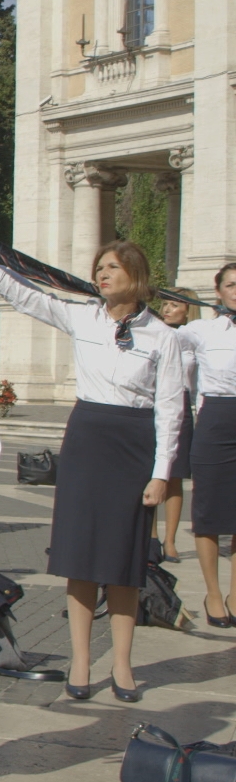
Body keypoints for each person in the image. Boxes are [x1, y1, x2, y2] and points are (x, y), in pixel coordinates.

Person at [0, 226, 179, 698]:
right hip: (88, 438)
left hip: (135, 443)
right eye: (98, 268)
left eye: (111, 268)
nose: (101, 275)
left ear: (135, 276)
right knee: (80, 558)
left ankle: (121, 664)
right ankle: (80, 662)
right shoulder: (84, 317)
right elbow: (26, 295)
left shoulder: (162, 335)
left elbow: (172, 410)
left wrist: (162, 474)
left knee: (123, 562)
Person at [180, 265, 236, 630]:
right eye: (232, 284)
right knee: (209, 511)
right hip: (217, 418)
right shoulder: (201, 330)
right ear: (218, 292)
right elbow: (171, 354)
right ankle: (213, 593)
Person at [156, 288, 200, 561]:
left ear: (188, 310)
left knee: (174, 477)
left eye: (174, 305)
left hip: (182, 404)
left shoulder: (193, 338)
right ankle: (149, 540)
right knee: (148, 474)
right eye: (165, 304)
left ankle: (170, 541)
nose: (167, 309)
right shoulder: (154, 333)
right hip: (153, 402)